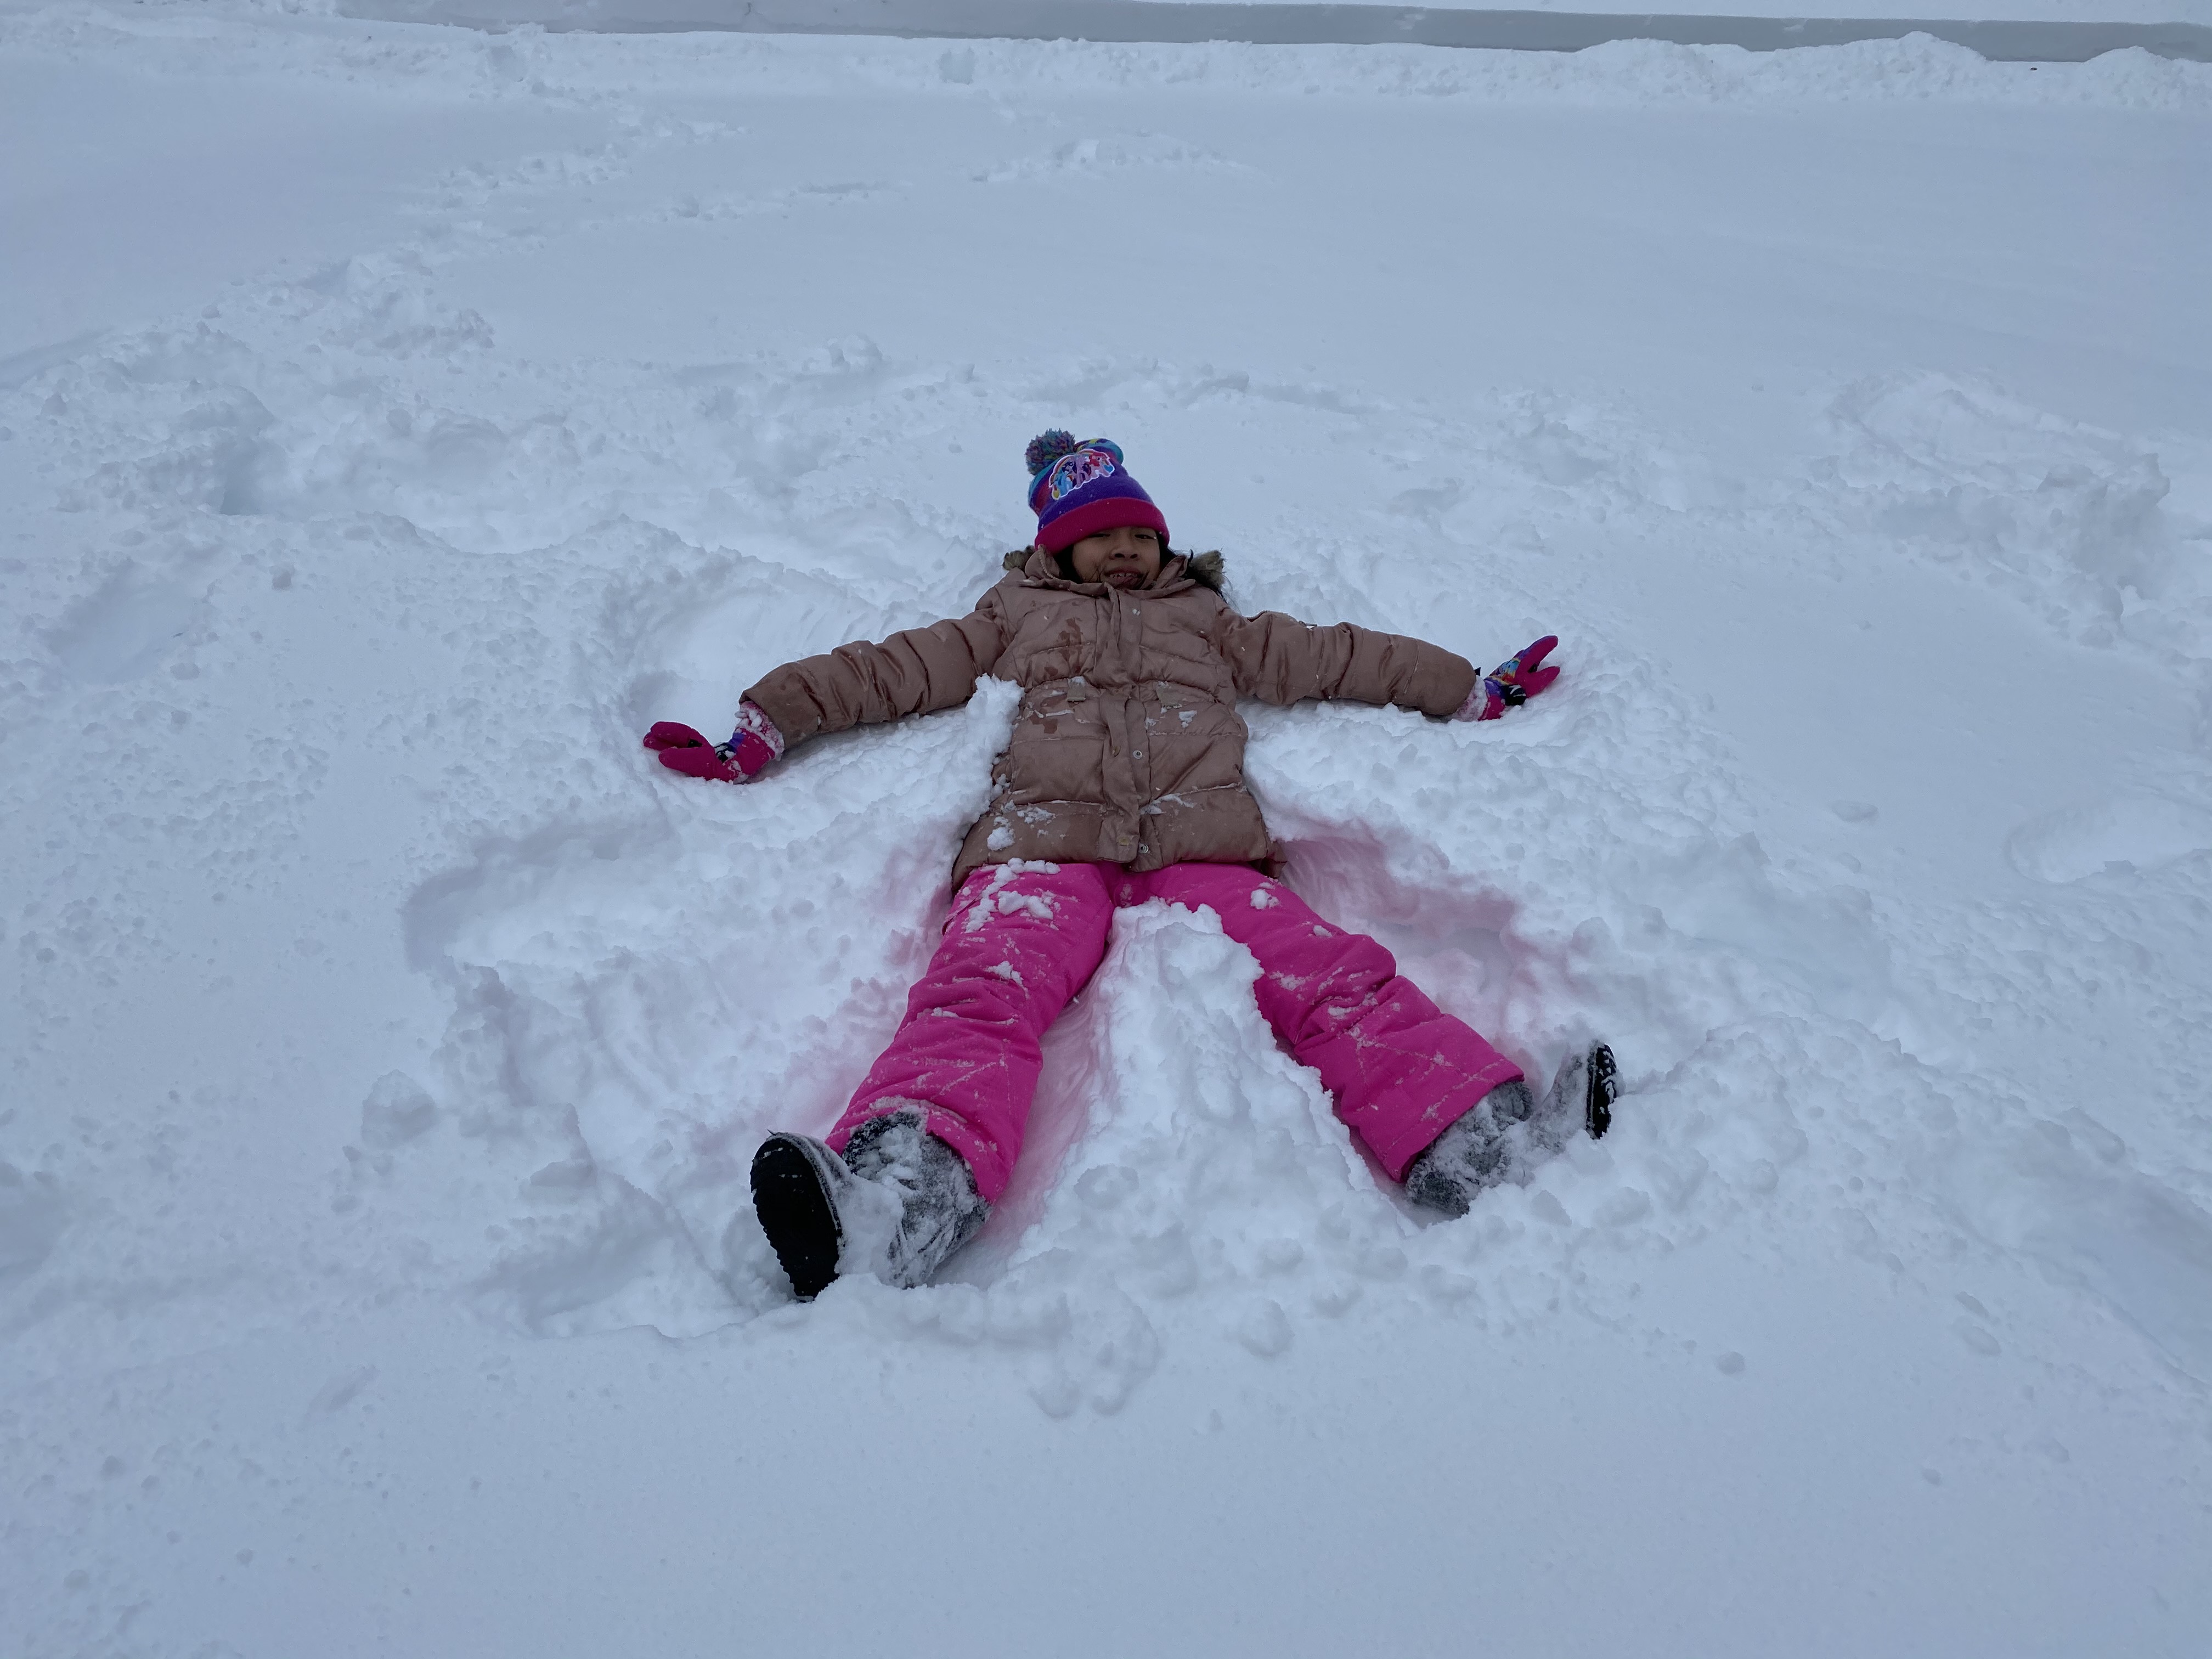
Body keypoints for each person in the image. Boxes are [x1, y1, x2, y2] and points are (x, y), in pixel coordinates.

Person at [645, 431, 1616, 1301]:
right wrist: (765, 723)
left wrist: (1469, 690)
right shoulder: (1008, 620)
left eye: (1140, 538)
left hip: (1201, 854)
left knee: (1329, 978)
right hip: (1040, 851)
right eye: (1100, 537)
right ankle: (899, 1201)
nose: (1123, 551)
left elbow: (1344, 657)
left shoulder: (1211, 625)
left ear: (1166, 549)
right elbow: (888, 669)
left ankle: (1485, 1146)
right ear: (1054, 549)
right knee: (979, 991)